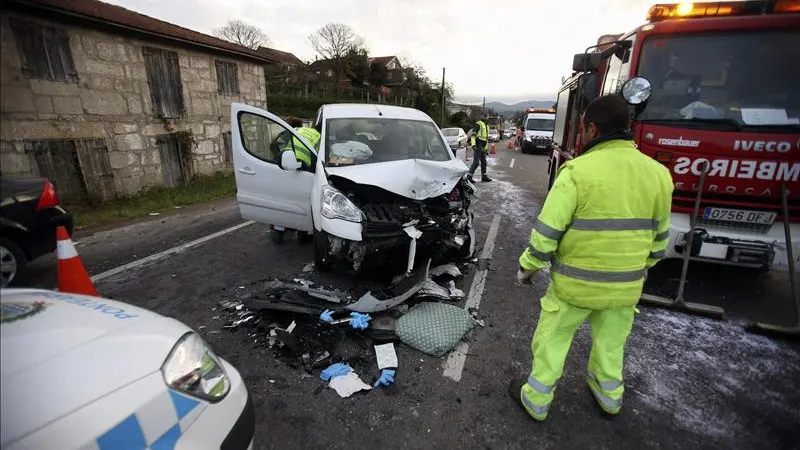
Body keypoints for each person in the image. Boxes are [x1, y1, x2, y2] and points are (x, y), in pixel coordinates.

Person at [511, 94, 673, 421]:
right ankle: (609, 396)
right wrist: (636, 271)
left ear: (593, 129)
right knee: (611, 345)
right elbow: (659, 242)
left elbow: (546, 235)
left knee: (552, 341)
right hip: (625, 289)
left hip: (574, 287)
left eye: (584, 127)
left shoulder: (577, 173)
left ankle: (537, 401)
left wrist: (527, 268)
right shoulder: (658, 175)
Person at [467, 117, 492, 182]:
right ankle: (469, 176)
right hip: (478, 144)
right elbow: (473, 135)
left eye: (487, 117)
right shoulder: (478, 124)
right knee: (476, 162)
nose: (487, 118)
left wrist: (485, 149)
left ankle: (484, 176)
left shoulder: (487, 126)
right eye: (485, 116)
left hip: (483, 146)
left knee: (484, 162)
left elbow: (486, 139)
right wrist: (473, 145)